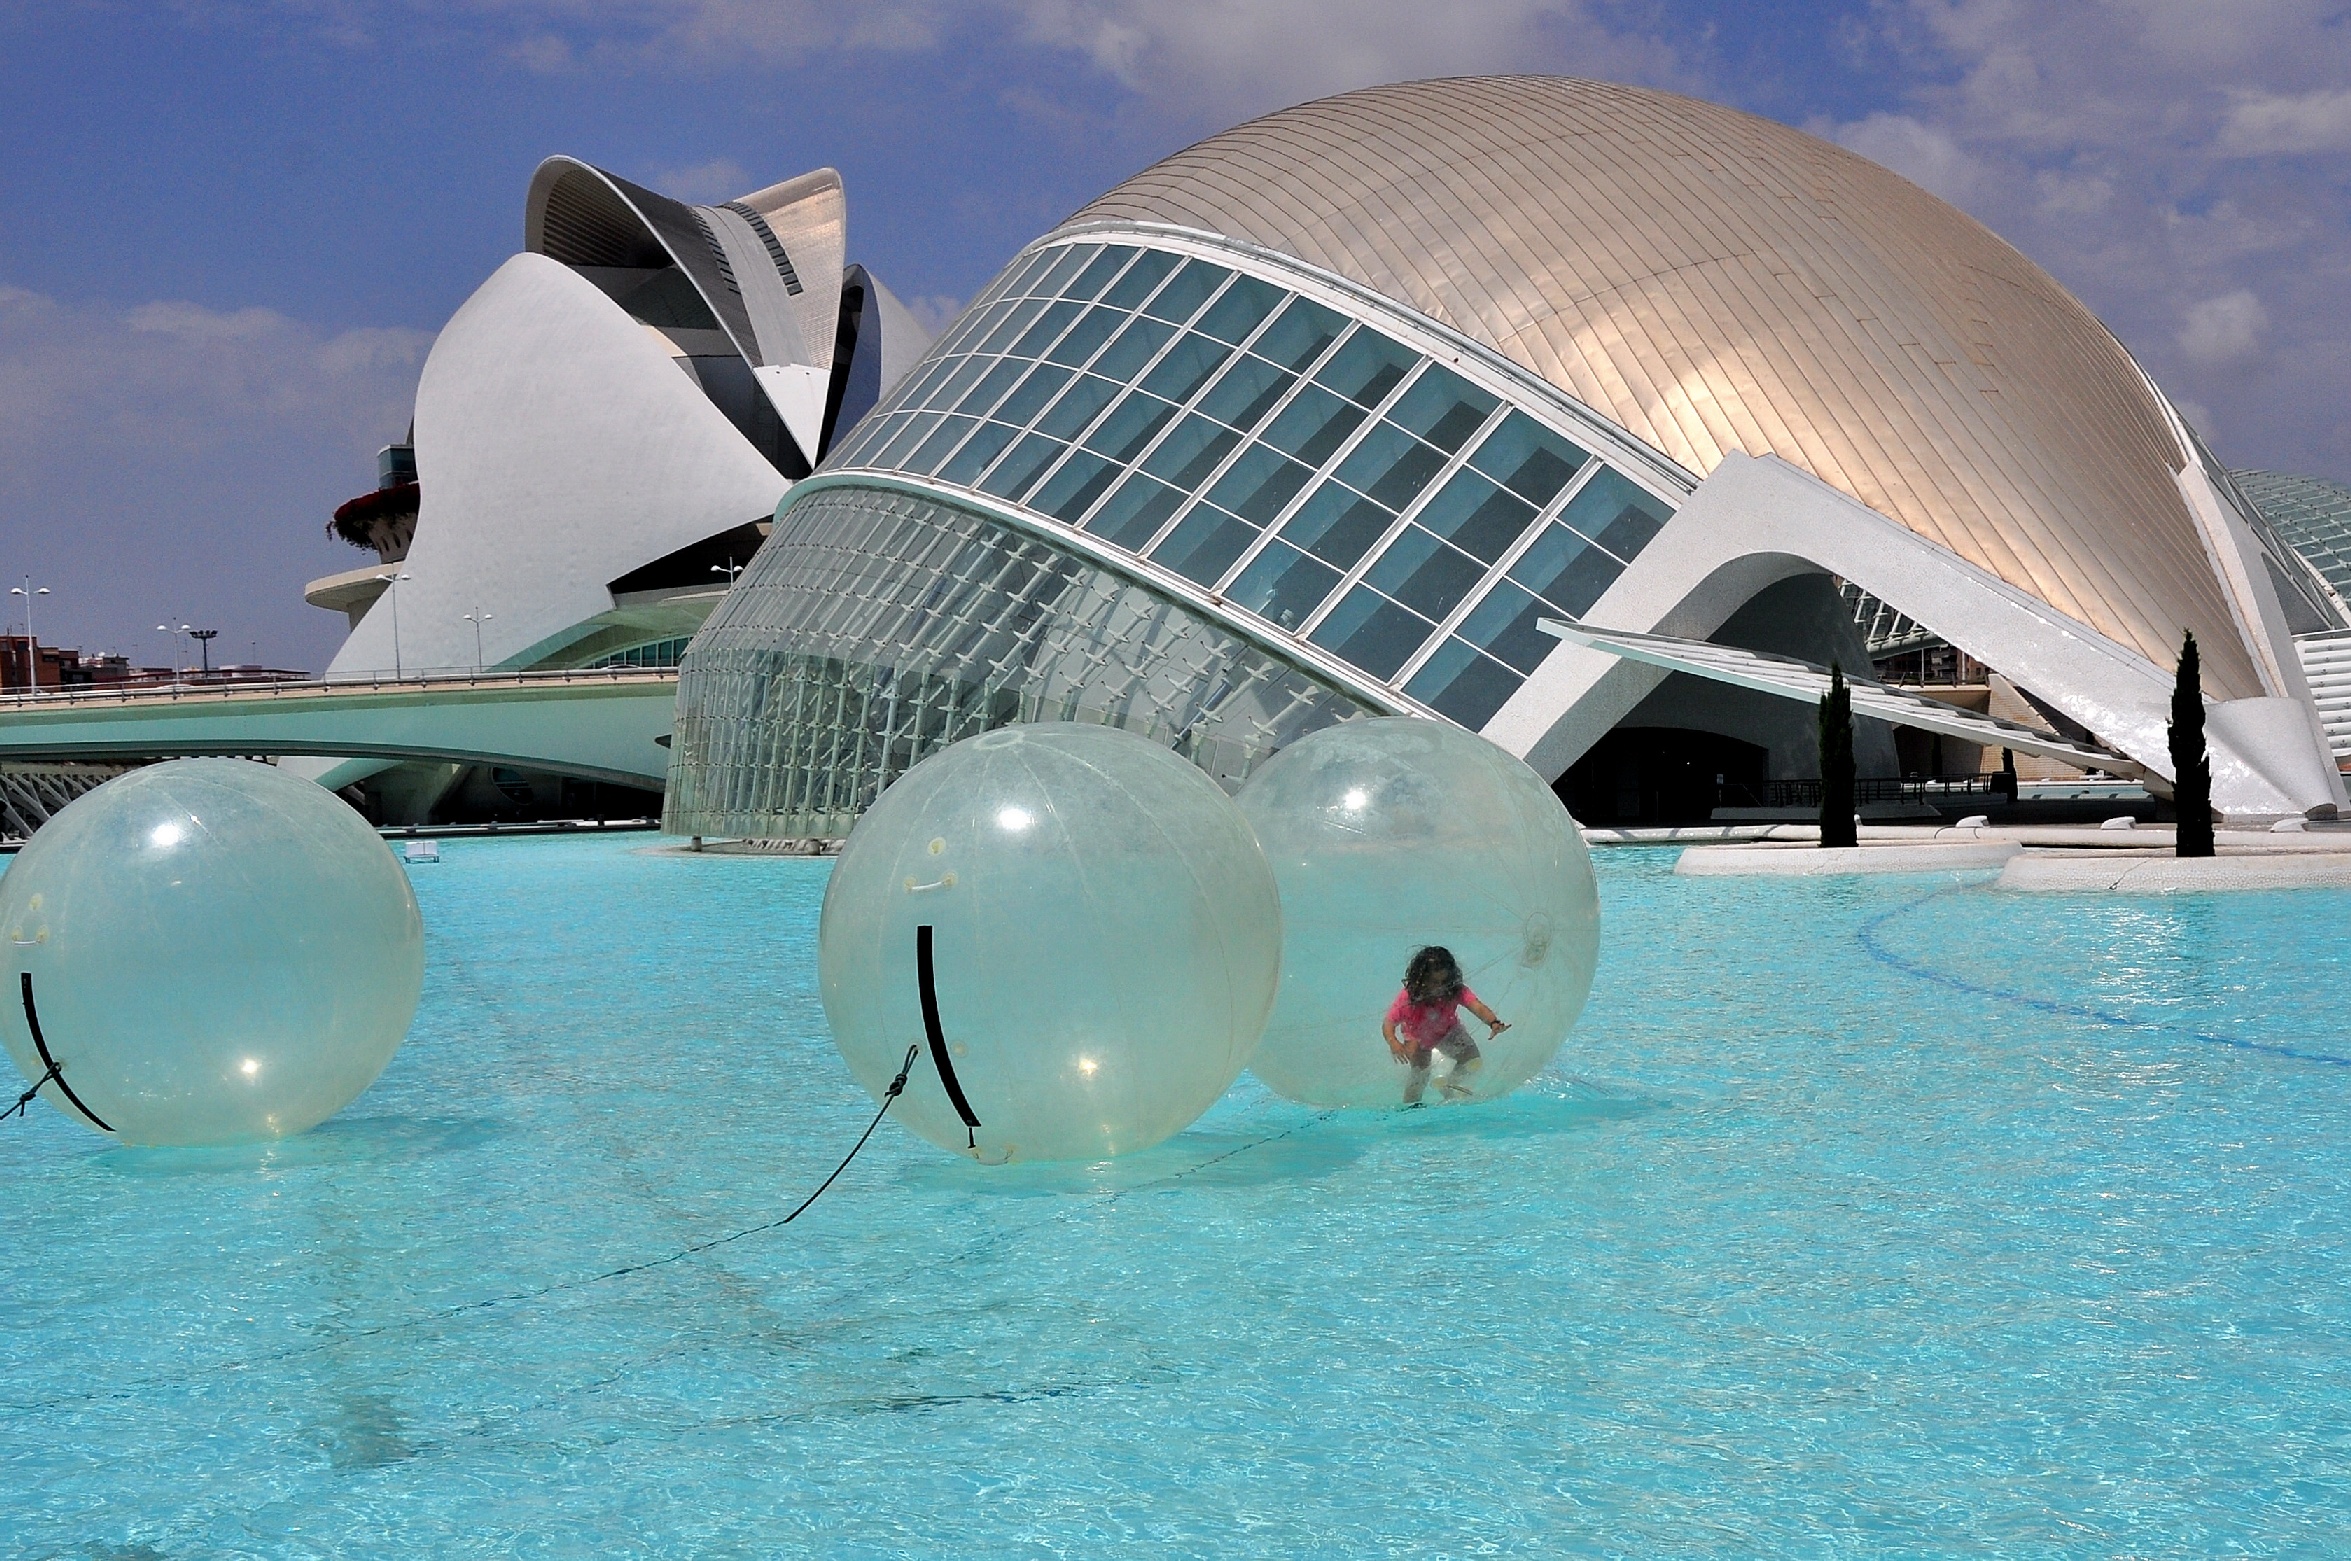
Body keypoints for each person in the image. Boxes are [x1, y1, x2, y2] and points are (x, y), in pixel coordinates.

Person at [1383, 945, 1508, 1106]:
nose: (1440, 988)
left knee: (1472, 1058)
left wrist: (1493, 1022)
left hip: (1449, 1032)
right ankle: (1410, 1106)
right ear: (1420, 979)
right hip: (1417, 1038)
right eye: (1434, 982)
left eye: (1445, 982)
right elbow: (1388, 1023)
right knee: (1419, 1076)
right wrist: (1393, 1042)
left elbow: (1477, 1006)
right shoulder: (1409, 997)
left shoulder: (1455, 990)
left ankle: (1451, 1082)